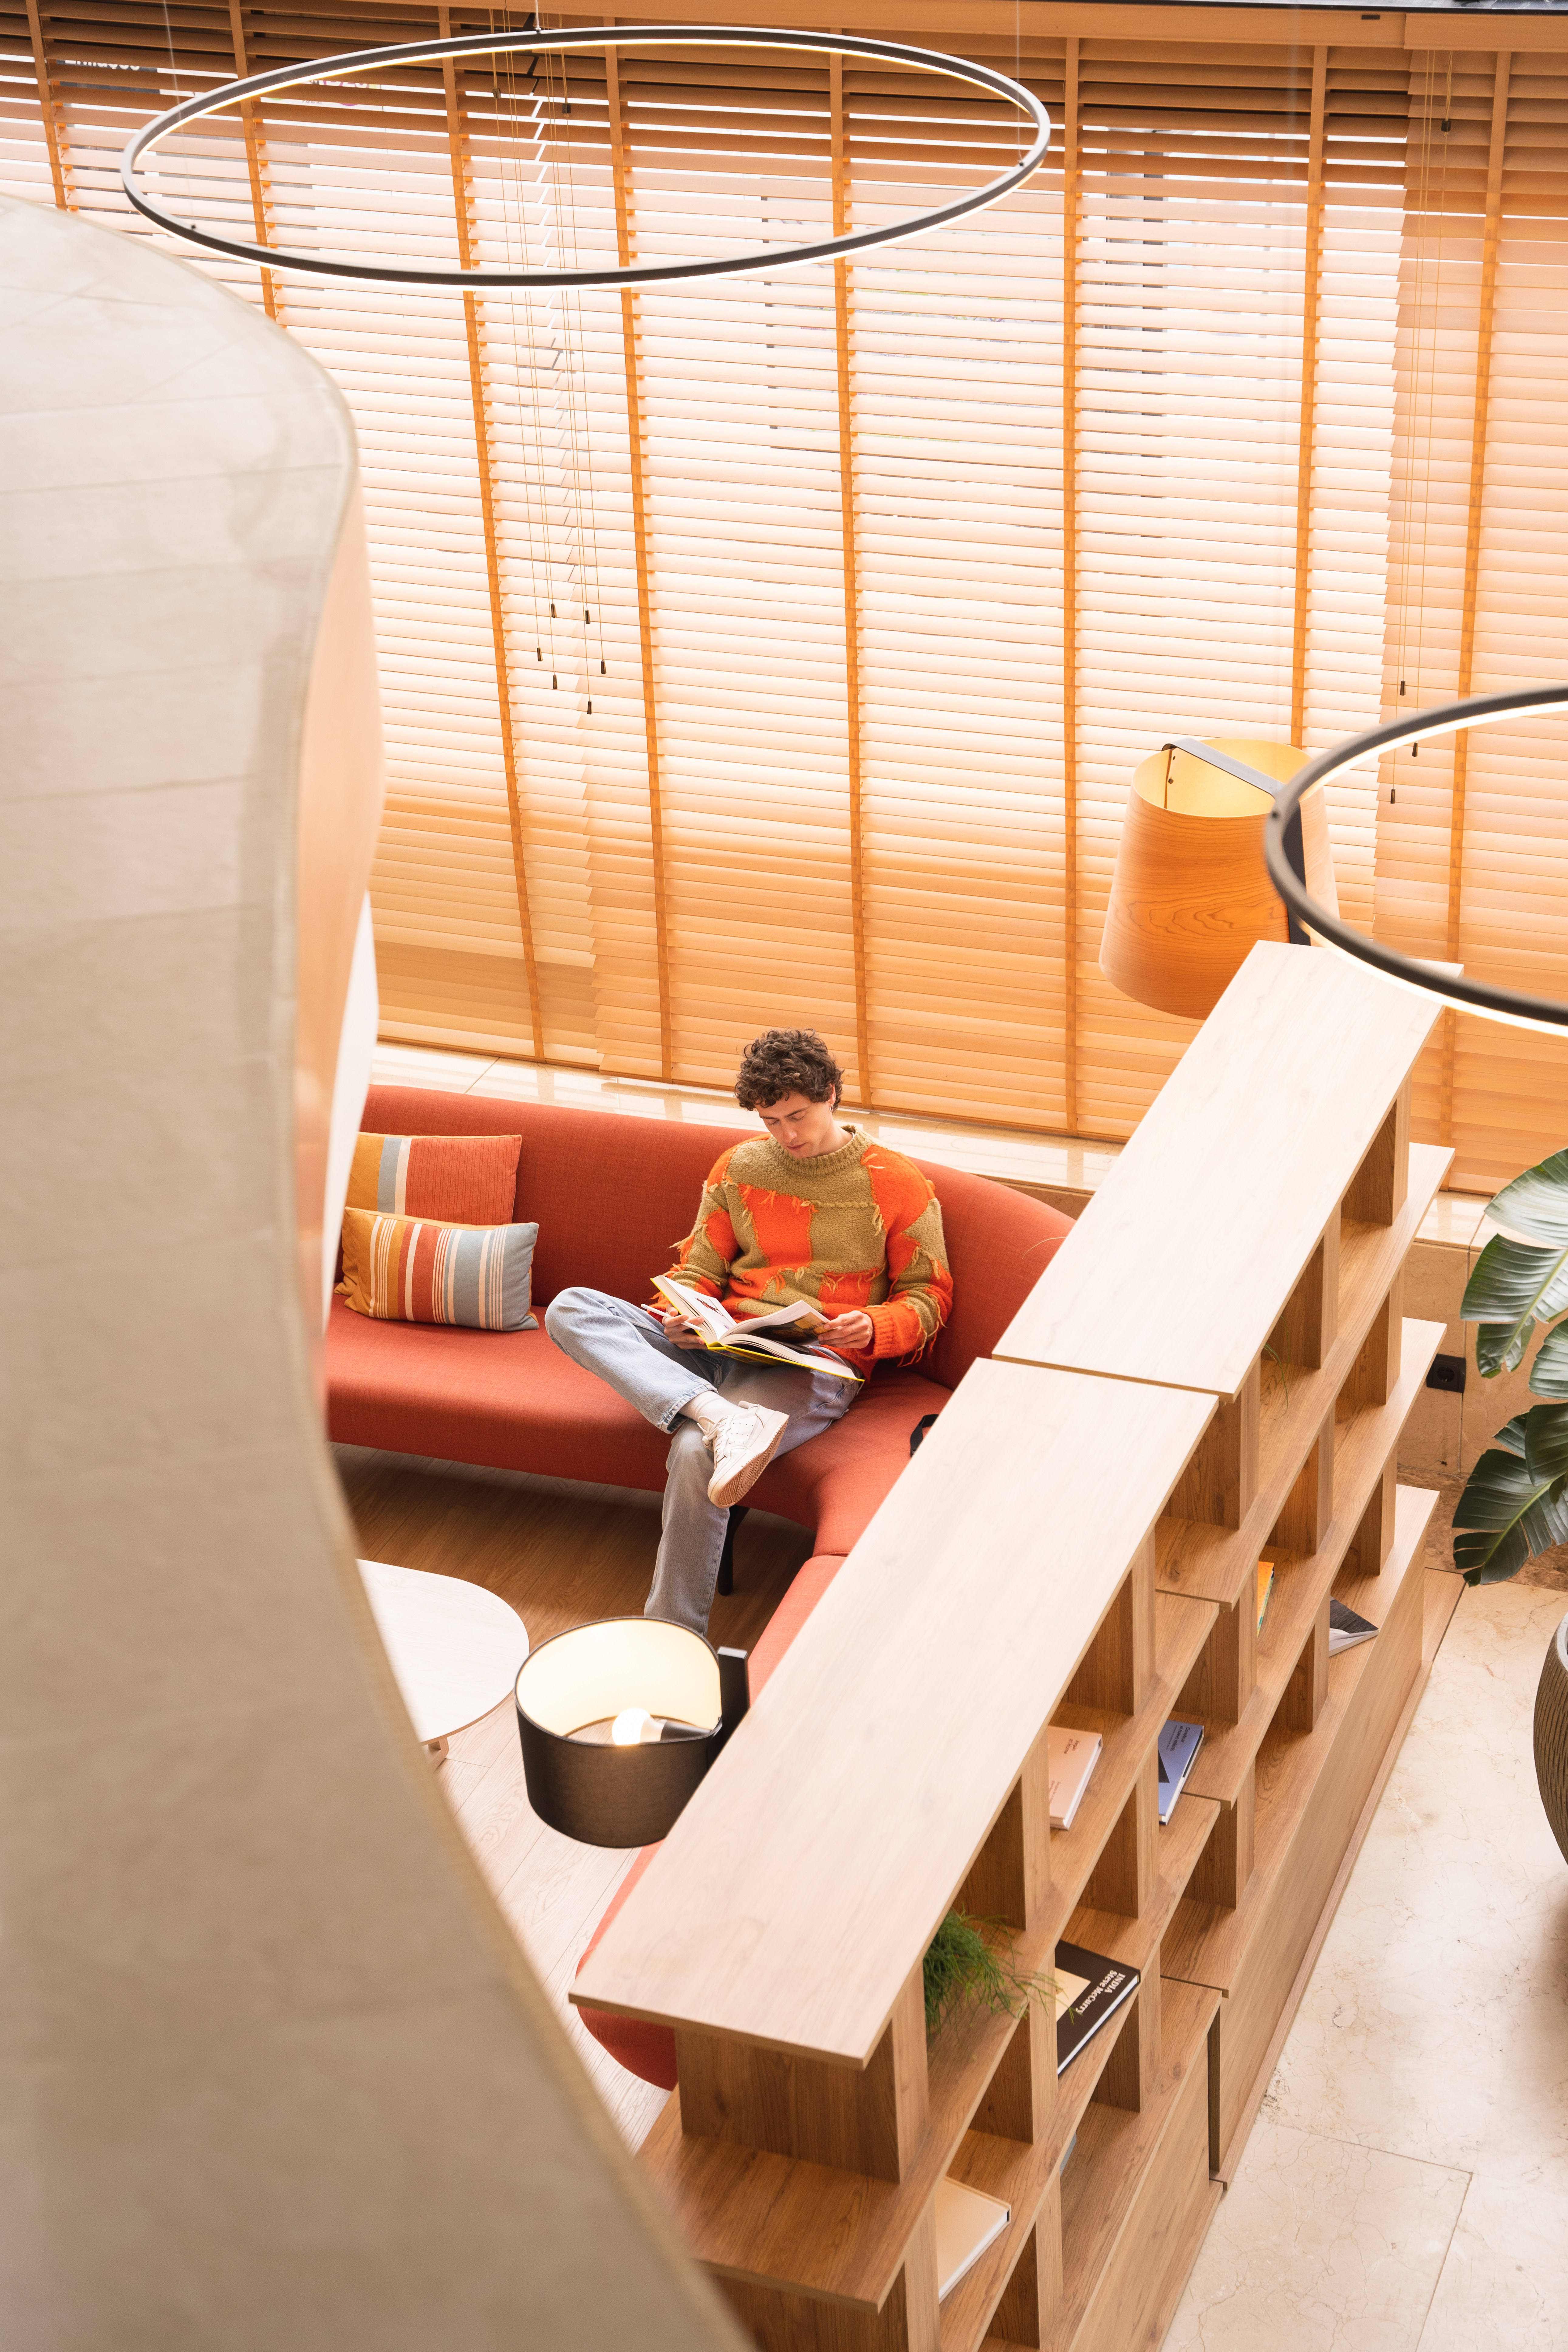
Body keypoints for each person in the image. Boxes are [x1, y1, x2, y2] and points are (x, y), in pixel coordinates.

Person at [545, 1028, 953, 1633]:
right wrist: (678, 1314)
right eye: (771, 1122)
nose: (788, 1135)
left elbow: (929, 1296)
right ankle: (716, 1413)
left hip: (812, 1364)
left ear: (831, 1095)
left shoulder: (895, 1182)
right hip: (719, 1348)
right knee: (570, 1308)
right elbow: (699, 1268)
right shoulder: (738, 1168)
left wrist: (868, 1326)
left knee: (693, 1451)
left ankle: (671, 1635)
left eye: (799, 1115)